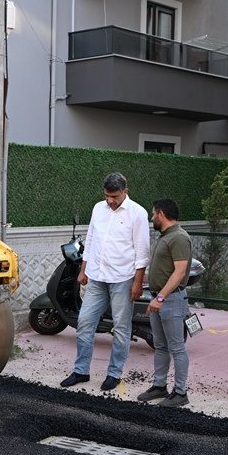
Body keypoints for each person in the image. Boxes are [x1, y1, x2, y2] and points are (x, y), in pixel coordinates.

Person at [61, 172, 150, 391]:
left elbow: (142, 251)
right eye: (107, 196)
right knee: (84, 323)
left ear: (125, 192)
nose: (110, 200)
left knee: (120, 328)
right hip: (97, 278)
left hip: (122, 278)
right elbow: (91, 239)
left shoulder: (137, 213)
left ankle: (114, 373)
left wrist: (138, 283)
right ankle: (81, 370)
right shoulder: (98, 208)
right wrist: (84, 269)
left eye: (115, 197)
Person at [136, 199, 192, 407]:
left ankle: (180, 392)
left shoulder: (178, 237)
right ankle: (159, 386)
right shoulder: (166, 236)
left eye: (153, 214)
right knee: (160, 345)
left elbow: (179, 272)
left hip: (171, 300)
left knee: (176, 347)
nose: (152, 218)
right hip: (159, 298)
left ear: (160, 213)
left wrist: (160, 298)